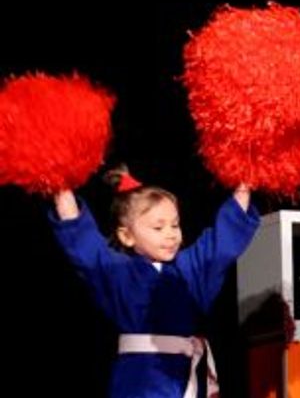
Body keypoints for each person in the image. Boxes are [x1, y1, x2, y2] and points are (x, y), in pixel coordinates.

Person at [49, 165, 259, 397]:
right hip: (140, 380)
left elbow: (222, 242)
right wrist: (60, 185)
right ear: (126, 236)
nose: (171, 234)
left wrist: (244, 184)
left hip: (187, 379)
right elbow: (85, 244)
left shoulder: (190, 267)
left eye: (175, 224)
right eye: (158, 227)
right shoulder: (117, 270)